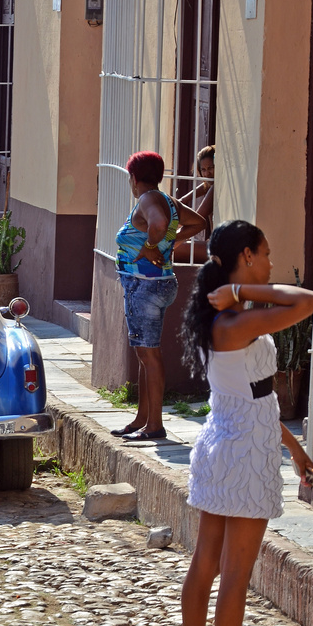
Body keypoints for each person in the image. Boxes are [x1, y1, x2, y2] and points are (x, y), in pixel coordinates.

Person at [177, 220, 313, 626]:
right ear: (244, 256)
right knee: (234, 575)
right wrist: (241, 288)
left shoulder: (222, 321)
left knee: (205, 567)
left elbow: (254, 397)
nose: (271, 264)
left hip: (223, 444)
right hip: (243, 455)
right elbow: (309, 300)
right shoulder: (237, 321)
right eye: (265, 254)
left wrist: (295, 449)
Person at [112, 150, 206, 443]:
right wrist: (170, 241)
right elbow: (198, 223)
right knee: (145, 354)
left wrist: (155, 244)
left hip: (145, 287)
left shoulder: (147, 199)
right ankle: (142, 419)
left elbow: (159, 224)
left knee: (149, 355)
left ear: (134, 178)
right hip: (161, 283)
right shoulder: (168, 201)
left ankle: (154, 426)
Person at [174, 145, 215, 264]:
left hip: (217, 250)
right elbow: (204, 186)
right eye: (203, 170)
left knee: (173, 250)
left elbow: (195, 220)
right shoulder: (210, 186)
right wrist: (183, 199)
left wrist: (168, 243)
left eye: (211, 168)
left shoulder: (214, 189)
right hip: (212, 245)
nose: (207, 173)